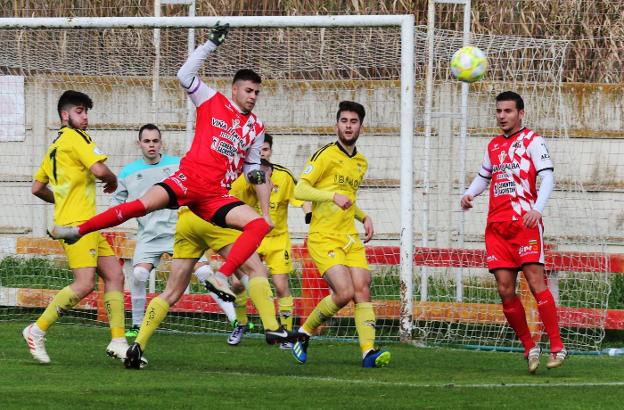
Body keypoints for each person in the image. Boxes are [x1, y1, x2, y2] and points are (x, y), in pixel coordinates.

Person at [49, 23, 272, 304]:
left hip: (216, 195)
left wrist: (261, 182)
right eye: (249, 90)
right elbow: (184, 75)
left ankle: (222, 276)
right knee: (139, 206)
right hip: (187, 180)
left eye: (257, 93)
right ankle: (78, 231)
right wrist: (210, 44)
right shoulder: (213, 100)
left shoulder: (256, 126)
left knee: (259, 225)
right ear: (235, 89)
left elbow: (252, 168)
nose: (253, 97)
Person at [24, 90, 133, 364]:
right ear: (65, 115)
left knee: (116, 276)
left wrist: (61, 200)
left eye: (86, 112)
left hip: (87, 224)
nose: (85, 117)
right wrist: (113, 179)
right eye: (80, 111)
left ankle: (119, 341)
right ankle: (36, 330)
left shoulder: (53, 146)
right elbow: (99, 170)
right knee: (84, 284)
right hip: (77, 226)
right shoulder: (76, 138)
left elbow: (37, 188)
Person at [460, 91, 566, 373]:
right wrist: (469, 194)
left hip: (525, 225)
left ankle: (557, 346)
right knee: (505, 289)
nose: (502, 116)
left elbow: (548, 177)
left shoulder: (533, 141)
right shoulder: (493, 146)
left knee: (535, 282)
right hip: (497, 228)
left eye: (507, 111)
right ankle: (529, 346)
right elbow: (484, 177)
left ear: (521, 113)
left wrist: (538, 209)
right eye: (499, 111)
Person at [123, 207, 295, 369]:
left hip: (187, 220)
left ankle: (138, 345)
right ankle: (272, 328)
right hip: (215, 217)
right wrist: (264, 211)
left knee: (171, 291)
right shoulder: (237, 176)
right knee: (256, 270)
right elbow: (254, 177)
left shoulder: (186, 175)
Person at [290, 101, 391, 368]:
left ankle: (368, 352)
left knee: (362, 288)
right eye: (344, 121)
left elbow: (349, 199)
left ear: (361, 126)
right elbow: (300, 190)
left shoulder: (360, 162)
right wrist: (330, 195)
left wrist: (363, 216)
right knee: (344, 292)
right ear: (337, 125)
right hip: (324, 236)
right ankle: (304, 332)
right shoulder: (324, 155)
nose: (348, 126)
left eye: (353, 121)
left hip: (349, 238)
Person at [112, 124, 234, 337]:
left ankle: (235, 320)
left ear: (161, 142)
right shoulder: (128, 172)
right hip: (149, 236)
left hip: (179, 232)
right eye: (147, 141)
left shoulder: (178, 165)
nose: (151, 145)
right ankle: (137, 324)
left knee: (205, 272)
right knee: (139, 274)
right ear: (139, 143)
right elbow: (117, 203)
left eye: (155, 141)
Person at [227, 133, 308, 348]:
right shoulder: (242, 178)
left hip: (277, 239)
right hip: (252, 237)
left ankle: (284, 333)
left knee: (281, 286)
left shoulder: (284, 176)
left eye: (265, 149)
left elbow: (301, 199)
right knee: (237, 283)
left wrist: (309, 214)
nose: (261, 153)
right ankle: (241, 323)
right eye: (258, 150)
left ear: (270, 151)